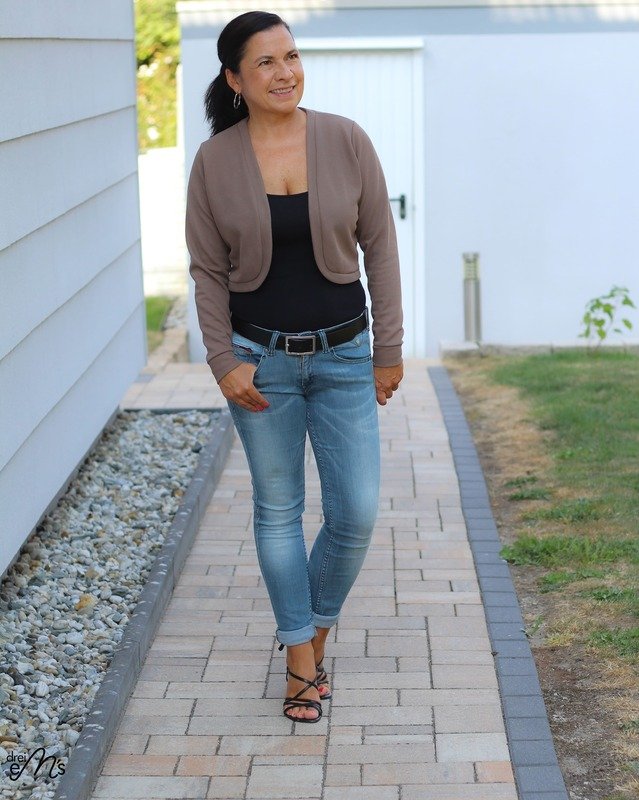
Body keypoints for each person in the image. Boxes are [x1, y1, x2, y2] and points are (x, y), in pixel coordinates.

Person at [185, 10, 404, 723]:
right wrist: (222, 361)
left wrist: (388, 349)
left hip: (344, 355)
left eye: (292, 56)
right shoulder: (214, 161)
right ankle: (300, 659)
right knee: (278, 511)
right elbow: (206, 271)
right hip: (259, 363)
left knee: (356, 512)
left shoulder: (345, 139)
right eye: (266, 62)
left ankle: (310, 631)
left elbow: (380, 247)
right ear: (234, 79)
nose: (285, 73)